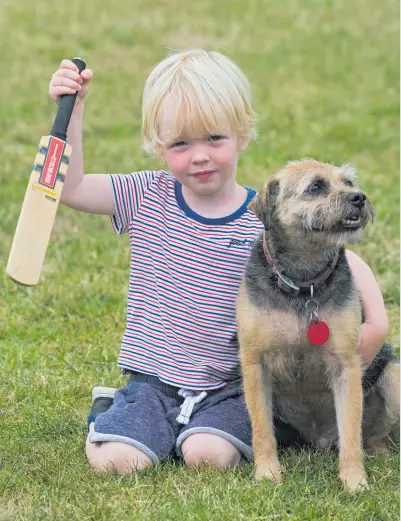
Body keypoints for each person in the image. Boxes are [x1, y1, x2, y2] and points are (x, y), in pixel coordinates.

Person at [48, 49, 389, 475]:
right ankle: (116, 412)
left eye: (215, 139)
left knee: (210, 458)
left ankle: (182, 431)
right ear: (158, 146)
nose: (200, 156)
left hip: (226, 389)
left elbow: (337, 256)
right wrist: (72, 111)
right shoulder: (144, 195)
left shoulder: (263, 216)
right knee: (118, 463)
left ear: (242, 134)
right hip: (154, 380)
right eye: (180, 143)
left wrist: (376, 320)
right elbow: (72, 187)